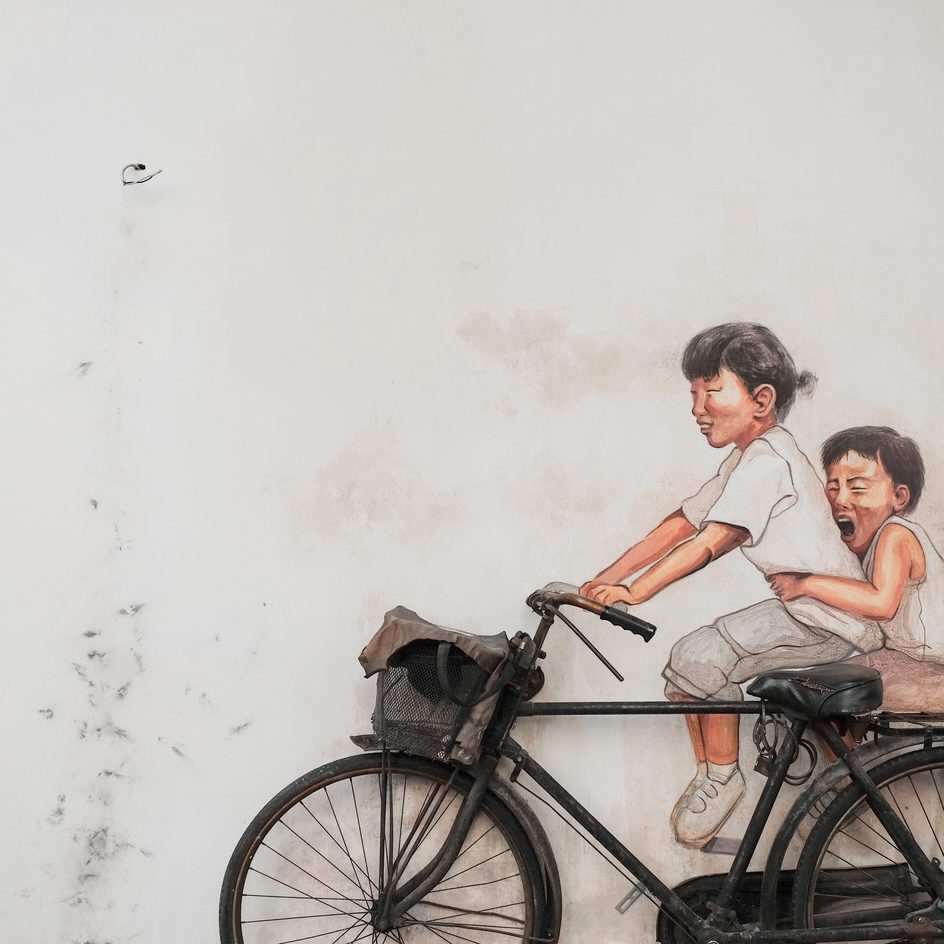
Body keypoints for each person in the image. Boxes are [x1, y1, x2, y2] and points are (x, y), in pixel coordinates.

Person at [581, 323, 881, 848]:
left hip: (830, 619)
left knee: (702, 657)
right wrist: (606, 578)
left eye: (711, 391)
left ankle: (722, 777)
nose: (697, 408)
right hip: (803, 612)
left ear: (761, 400)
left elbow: (711, 542)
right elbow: (682, 523)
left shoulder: (770, 462)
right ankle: (710, 771)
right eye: (693, 393)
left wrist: (636, 592)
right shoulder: (748, 457)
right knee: (688, 661)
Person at [770, 427, 944, 664]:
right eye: (833, 488)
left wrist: (804, 584)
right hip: (912, 654)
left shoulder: (896, 534)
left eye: (857, 488)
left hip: (932, 660)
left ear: (899, 497)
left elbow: (881, 604)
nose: (840, 500)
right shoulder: (860, 542)